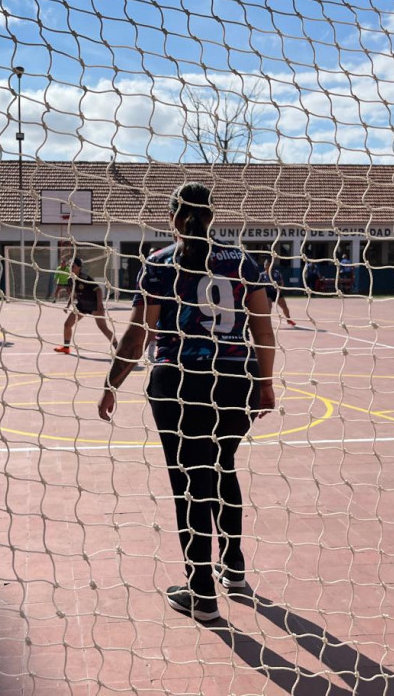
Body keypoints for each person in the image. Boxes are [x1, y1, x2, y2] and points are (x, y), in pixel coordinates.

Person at [97, 182, 276, 622]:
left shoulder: (158, 265)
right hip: (235, 379)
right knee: (222, 467)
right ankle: (233, 567)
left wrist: (111, 383)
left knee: (189, 484)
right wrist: (266, 383)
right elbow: (263, 330)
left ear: (174, 216)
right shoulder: (243, 262)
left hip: (178, 383)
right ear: (212, 215)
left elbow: (139, 335)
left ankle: (200, 591)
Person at [54, 258, 116, 354]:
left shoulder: (85, 278)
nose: (70, 268)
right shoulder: (70, 280)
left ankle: (119, 349)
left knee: (103, 328)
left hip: (94, 305)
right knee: (67, 325)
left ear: (79, 267)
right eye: (69, 266)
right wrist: (68, 305)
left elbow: (98, 290)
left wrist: (99, 304)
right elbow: (73, 294)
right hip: (82, 306)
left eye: (73, 266)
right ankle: (66, 347)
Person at [261, 257, 295, 327]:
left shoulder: (276, 273)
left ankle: (288, 319)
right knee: (269, 305)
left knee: (284, 307)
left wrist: (280, 288)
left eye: (267, 264)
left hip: (276, 292)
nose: (266, 266)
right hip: (267, 293)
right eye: (265, 264)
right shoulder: (262, 275)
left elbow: (281, 282)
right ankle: (268, 322)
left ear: (271, 265)